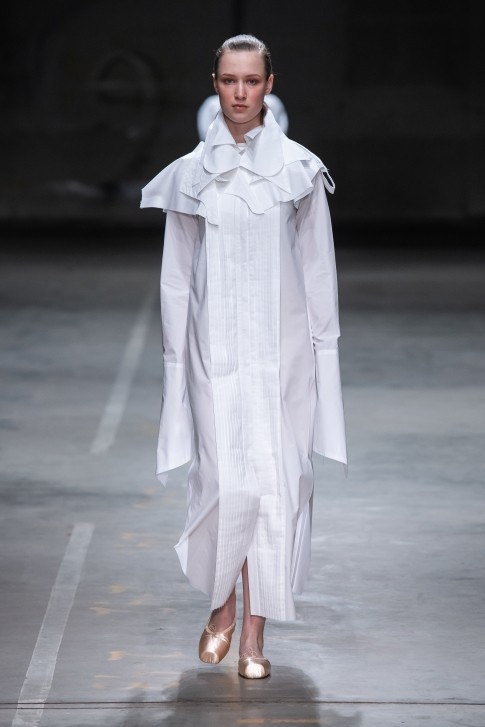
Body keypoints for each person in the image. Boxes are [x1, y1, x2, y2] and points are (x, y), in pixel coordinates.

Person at [141, 34, 347, 679]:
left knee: (275, 487)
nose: (239, 93)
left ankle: (254, 633)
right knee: (223, 482)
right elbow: (176, 279)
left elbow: (318, 270)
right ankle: (222, 603)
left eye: (251, 81)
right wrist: (176, 364)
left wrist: (324, 356)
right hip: (215, 352)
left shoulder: (300, 171)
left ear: (269, 85)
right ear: (215, 83)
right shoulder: (188, 175)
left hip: (283, 354)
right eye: (229, 80)